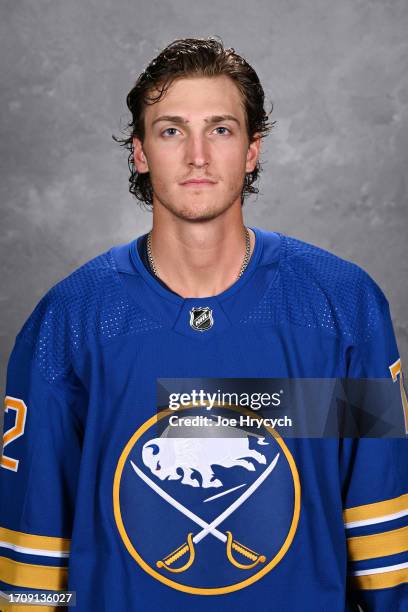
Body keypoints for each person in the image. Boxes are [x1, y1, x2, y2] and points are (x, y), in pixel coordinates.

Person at [0, 36, 407, 611]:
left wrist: (228, 403)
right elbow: (32, 557)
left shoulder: (344, 306)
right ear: (140, 152)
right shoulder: (69, 320)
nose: (197, 155)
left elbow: (383, 535)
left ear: (252, 149)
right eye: (171, 131)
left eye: (220, 129)